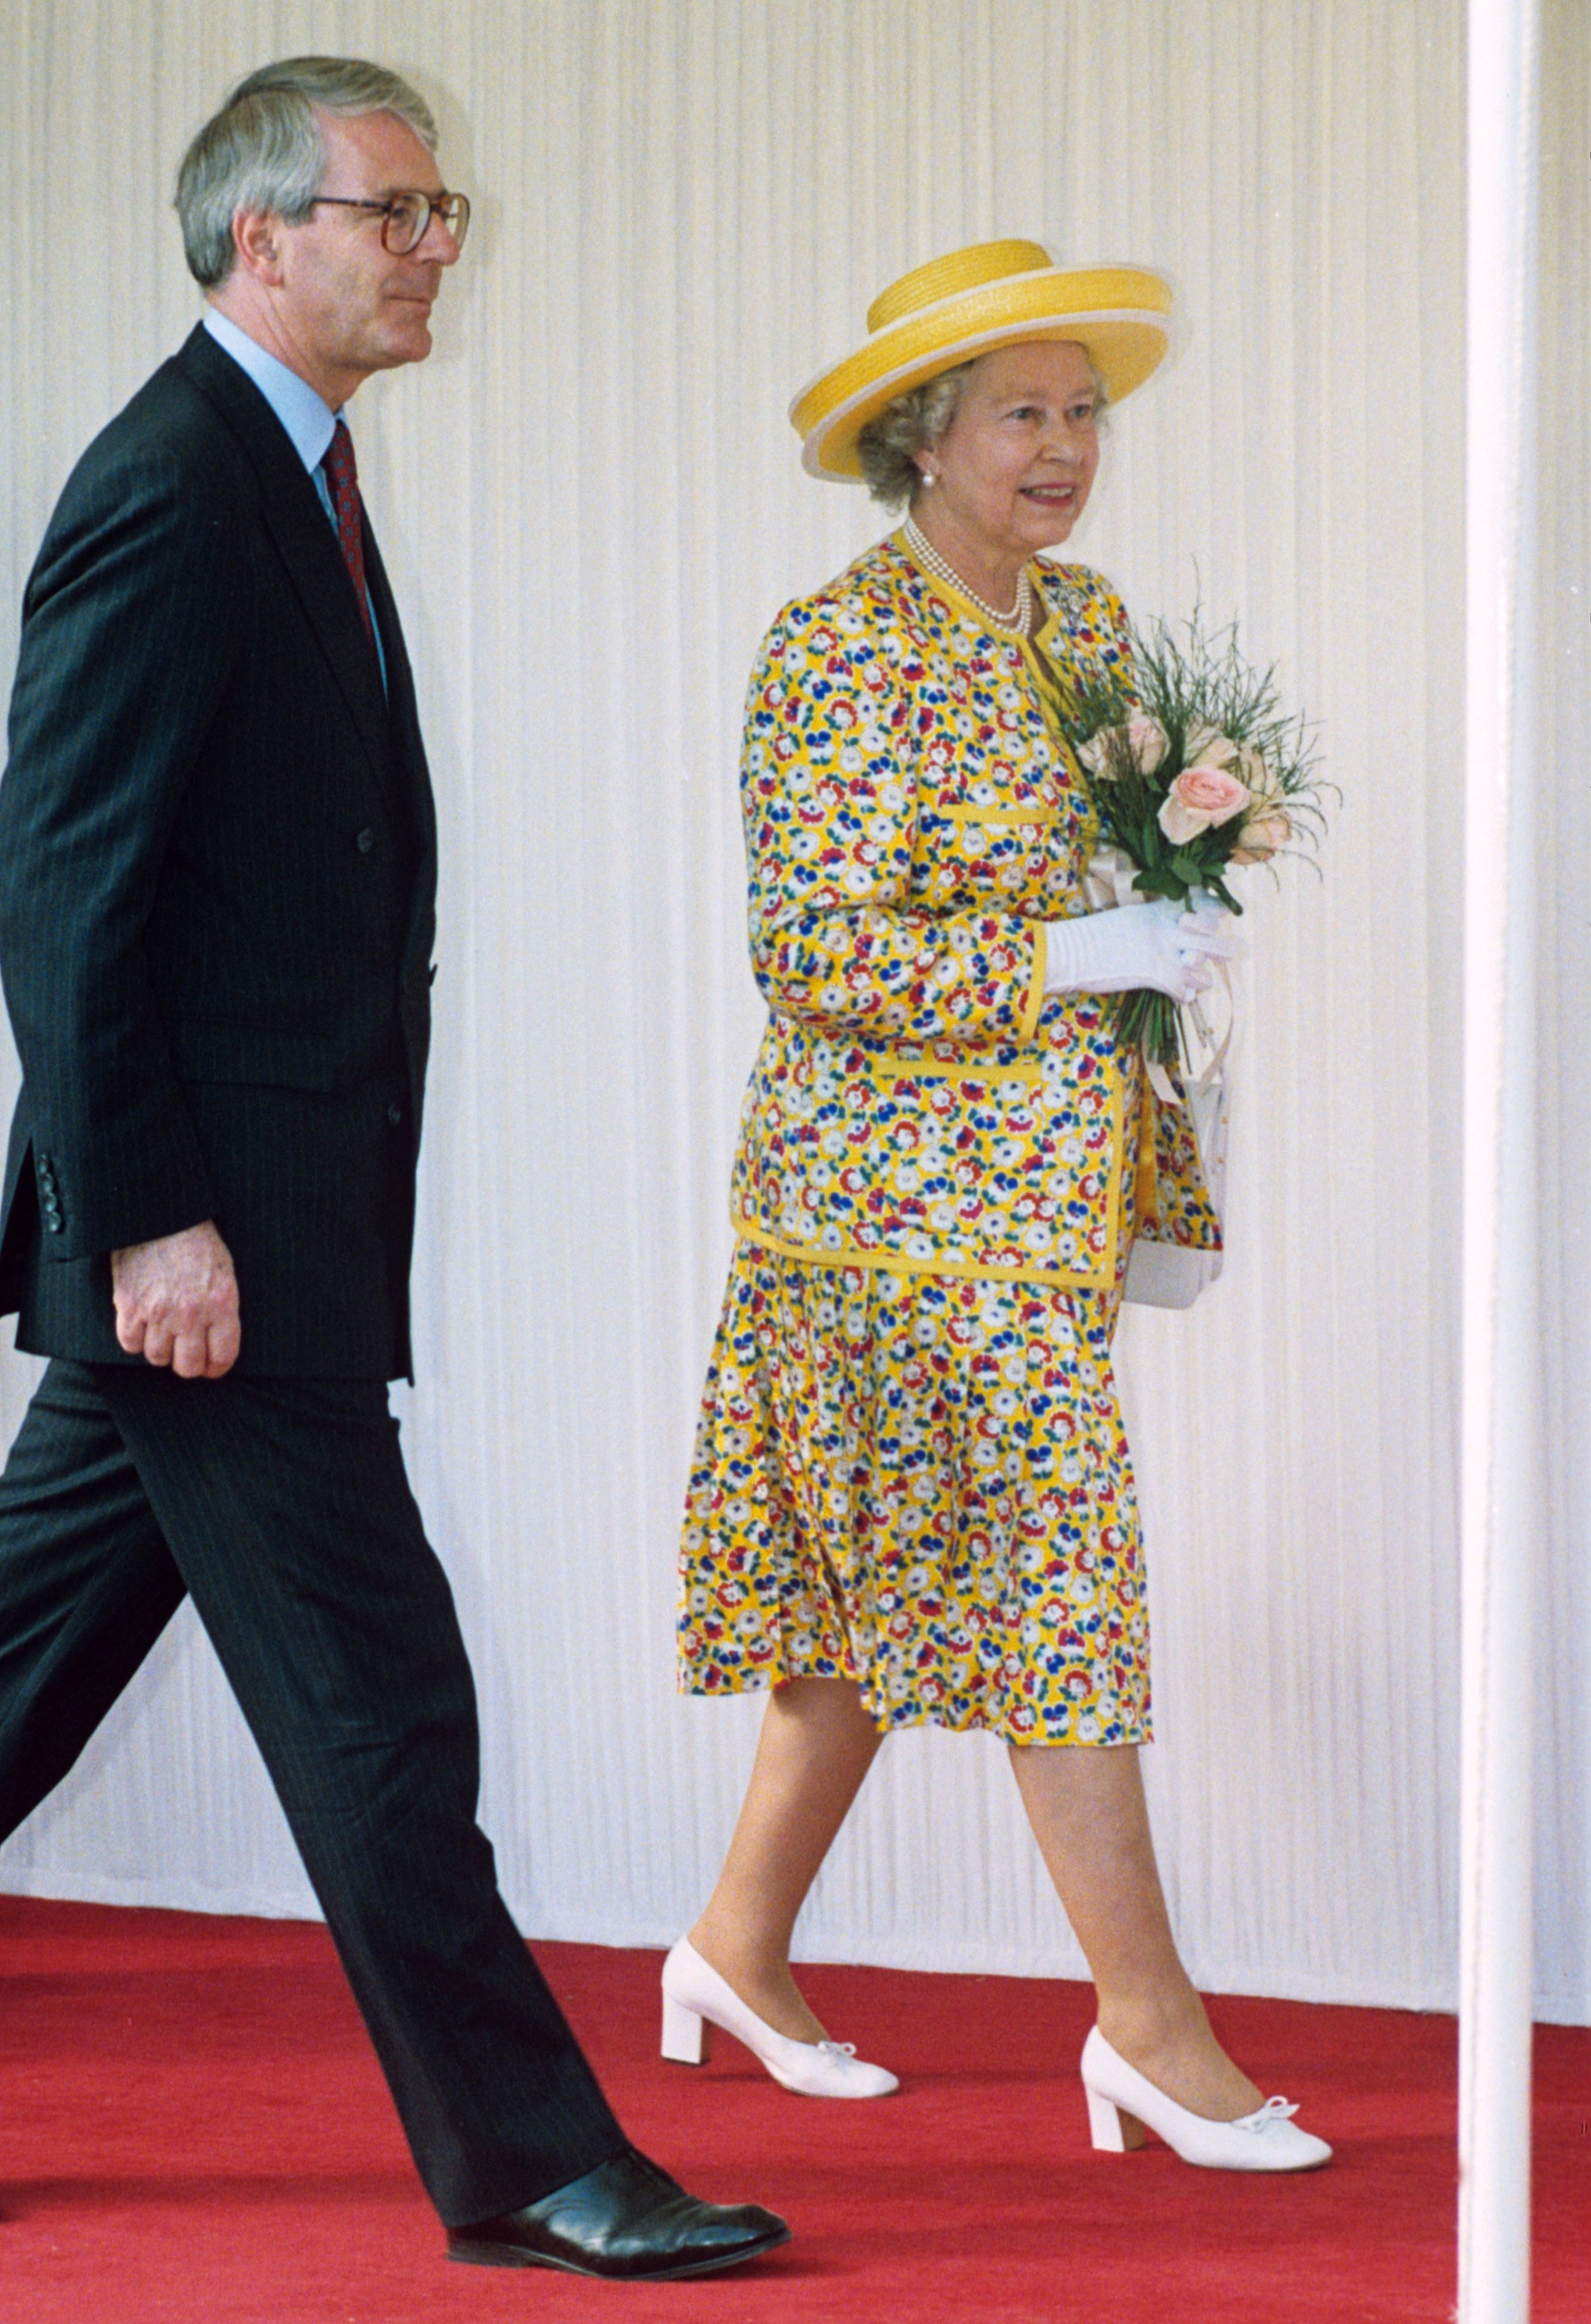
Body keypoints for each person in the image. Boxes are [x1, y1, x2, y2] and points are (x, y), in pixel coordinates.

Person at [0, 60, 787, 2281]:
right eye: (393, 212)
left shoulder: (281, 462)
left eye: (441, 214)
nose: (431, 247)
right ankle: (523, 2157)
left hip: (256, 1215)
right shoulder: (177, 479)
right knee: (378, 1699)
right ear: (261, 239)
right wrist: (142, 1214)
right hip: (210, 1235)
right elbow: (62, 877)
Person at [665, 240, 1332, 2172]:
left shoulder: (1091, 625)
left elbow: (1115, 884)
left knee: (857, 1617)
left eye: (1083, 409)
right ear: (920, 438)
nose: (1064, 447)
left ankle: (729, 1949)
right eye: (1021, 413)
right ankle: (1147, 2025)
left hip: (1042, 1206)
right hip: (878, 1227)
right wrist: (1068, 949)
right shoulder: (836, 647)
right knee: (1053, 1590)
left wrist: (1169, 934)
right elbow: (813, 951)